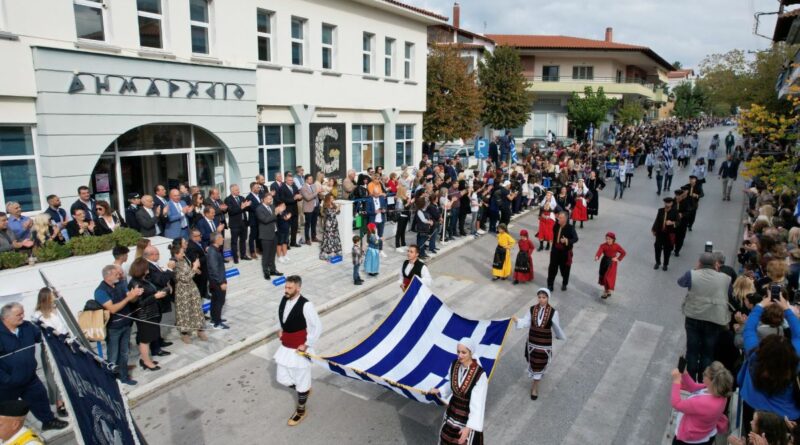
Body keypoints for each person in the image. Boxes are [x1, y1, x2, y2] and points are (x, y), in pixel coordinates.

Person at [738, 290, 800, 436]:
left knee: (752, 436)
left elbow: (749, 329)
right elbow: (798, 334)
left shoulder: (754, 356)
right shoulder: (794, 362)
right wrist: (786, 308)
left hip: (754, 406)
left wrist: (761, 305)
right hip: (785, 415)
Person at [0, 303, 68, 431]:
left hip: (29, 377)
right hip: (6, 383)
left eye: (23, 313)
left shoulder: (27, 327)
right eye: (18, 314)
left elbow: (42, 337)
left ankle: (48, 421)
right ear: (6, 318)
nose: (22, 316)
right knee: (6, 410)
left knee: (40, 398)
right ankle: (8, 432)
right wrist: (6, 379)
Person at [274, 275, 322, 426]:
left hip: (299, 348)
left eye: (290, 288)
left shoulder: (306, 305)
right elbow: (283, 317)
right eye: (286, 287)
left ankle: (301, 411)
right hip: (285, 346)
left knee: (301, 380)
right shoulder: (284, 299)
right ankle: (304, 391)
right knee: (282, 378)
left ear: (298, 288)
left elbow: (317, 326)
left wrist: (307, 344)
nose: (286, 290)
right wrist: (281, 329)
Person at [677, 252, 732, 382]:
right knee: (708, 351)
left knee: (692, 349)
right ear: (716, 264)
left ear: (699, 263)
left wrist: (695, 270)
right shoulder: (725, 278)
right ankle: (703, 381)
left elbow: (681, 282)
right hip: (714, 318)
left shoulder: (692, 274)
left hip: (694, 316)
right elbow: (729, 293)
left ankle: (690, 380)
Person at [429, 338, 488, 444]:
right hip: (452, 413)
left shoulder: (479, 375)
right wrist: (439, 390)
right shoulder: (454, 364)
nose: (460, 355)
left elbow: (478, 404)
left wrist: (468, 428)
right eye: (458, 352)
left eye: (464, 352)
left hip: (467, 418)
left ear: (471, 353)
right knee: (445, 439)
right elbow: (452, 383)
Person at [513, 288, 567, 400]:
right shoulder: (532, 309)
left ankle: (535, 386)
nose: (541, 300)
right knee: (533, 363)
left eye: (544, 297)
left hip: (544, 343)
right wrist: (517, 320)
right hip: (532, 342)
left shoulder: (553, 312)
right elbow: (527, 322)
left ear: (548, 298)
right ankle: (535, 382)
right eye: (539, 297)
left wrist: (559, 335)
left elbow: (556, 326)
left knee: (540, 364)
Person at [94, 266, 141, 385]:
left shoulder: (120, 284)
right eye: (116, 274)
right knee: (113, 355)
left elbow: (131, 300)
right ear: (108, 276)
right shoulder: (100, 291)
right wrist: (128, 298)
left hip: (126, 324)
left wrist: (135, 295)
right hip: (114, 328)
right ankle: (110, 379)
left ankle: (124, 377)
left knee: (124, 353)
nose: (119, 276)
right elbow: (112, 309)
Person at [670, 361, 733, 445]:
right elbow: (694, 387)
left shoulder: (703, 403)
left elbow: (676, 403)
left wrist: (676, 381)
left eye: (705, 374)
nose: (703, 373)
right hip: (705, 433)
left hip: (690, 440)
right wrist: (684, 373)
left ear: (712, 381)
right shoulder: (718, 392)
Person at [30, 289, 67, 416]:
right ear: (46, 298)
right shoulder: (38, 315)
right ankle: (59, 404)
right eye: (52, 296)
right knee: (53, 376)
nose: (55, 298)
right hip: (51, 347)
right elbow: (44, 332)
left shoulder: (57, 310)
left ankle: (68, 399)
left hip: (64, 344)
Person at [127, 259, 167, 371]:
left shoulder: (142, 280)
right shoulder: (136, 284)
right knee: (145, 340)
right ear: (142, 269)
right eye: (146, 267)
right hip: (144, 316)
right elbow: (139, 303)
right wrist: (155, 296)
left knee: (149, 338)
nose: (148, 268)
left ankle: (145, 359)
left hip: (151, 313)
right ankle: (146, 362)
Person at [169, 244, 207, 344]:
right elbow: (184, 279)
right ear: (176, 254)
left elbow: (189, 271)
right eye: (182, 253)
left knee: (197, 308)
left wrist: (195, 269)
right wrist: (194, 268)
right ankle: (184, 333)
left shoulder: (184, 260)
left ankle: (199, 330)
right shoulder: (174, 264)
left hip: (192, 287)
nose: (184, 254)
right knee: (184, 311)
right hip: (182, 291)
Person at [547, 212, 578, 292]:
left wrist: (567, 240)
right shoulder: (556, 225)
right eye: (558, 217)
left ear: (565, 219)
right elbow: (553, 234)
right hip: (555, 251)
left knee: (565, 269)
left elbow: (575, 238)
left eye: (560, 218)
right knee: (552, 268)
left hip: (565, 252)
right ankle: (550, 285)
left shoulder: (570, 228)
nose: (558, 219)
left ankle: (564, 283)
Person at [256, 193, 283, 279]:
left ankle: (273, 270)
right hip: (266, 235)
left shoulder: (272, 206)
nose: (271, 200)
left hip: (274, 233)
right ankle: (266, 272)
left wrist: (280, 212)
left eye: (271, 199)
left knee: (272, 254)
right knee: (266, 255)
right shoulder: (259, 209)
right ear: (263, 199)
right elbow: (265, 220)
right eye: (269, 199)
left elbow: (275, 218)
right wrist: (276, 213)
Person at [594, 232, 626, 299]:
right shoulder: (603, 245)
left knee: (608, 278)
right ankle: (608, 290)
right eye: (606, 239)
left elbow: (623, 253)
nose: (607, 240)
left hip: (612, 264)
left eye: (609, 239)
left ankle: (606, 291)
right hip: (604, 262)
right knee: (604, 276)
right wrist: (597, 256)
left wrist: (618, 259)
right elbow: (600, 251)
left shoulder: (616, 246)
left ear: (613, 239)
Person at [224, 184, 251, 263]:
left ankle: (243, 255)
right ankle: (235, 258)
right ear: (232, 191)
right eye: (236, 190)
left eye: (238, 189)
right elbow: (231, 212)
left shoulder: (241, 198)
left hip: (243, 223)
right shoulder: (228, 199)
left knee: (243, 240)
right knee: (234, 241)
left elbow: (247, 208)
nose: (238, 191)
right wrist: (241, 207)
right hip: (235, 224)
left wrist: (248, 205)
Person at [207, 233, 229, 329]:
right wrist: (221, 282)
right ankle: (217, 322)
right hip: (217, 281)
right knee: (219, 301)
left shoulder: (214, 250)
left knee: (215, 301)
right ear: (216, 240)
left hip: (216, 280)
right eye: (221, 238)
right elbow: (214, 269)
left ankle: (214, 318)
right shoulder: (212, 252)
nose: (223, 239)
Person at [652, 197, 678, 271]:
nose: (667, 204)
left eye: (669, 203)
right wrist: (654, 229)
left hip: (669, 234)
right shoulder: (660, 211)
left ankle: (665, 264)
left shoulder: (675, 212)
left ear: (672, 203)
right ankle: (657, 262)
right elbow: (657, 220)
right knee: (657, 248)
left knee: (667, 250)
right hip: (660, 233)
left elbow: (678, 222)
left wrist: (672, 223)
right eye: (666, 203)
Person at [186, 229, 209, 299]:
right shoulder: (191, 247)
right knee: (201, 284)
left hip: (204, 268)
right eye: (199, 235)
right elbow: (195, 261)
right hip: (199, 270)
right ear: (194, 237)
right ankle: (200, 297)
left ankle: (205, 293)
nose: (201, 236)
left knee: (205, 281)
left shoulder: (198, 242)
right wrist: (206, 256)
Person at [319, 194, 342, 261]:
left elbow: (338, 213)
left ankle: (335, 253)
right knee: (329, 239)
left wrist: (338, 208)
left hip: (334, 224)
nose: (332, 200)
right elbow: (331, 214)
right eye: (331, 198)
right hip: (329, 225)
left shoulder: (333, 205)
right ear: (328, 199)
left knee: (335, 238)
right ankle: (327, 254)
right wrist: (337, 209)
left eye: (333, 198)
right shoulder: (326, 206)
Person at [300, 174, 320, 245]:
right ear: (306, 180)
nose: (311, 180)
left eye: (312, 179)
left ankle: (314, 237)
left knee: (314, 223)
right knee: (307, 224)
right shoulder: (303, 188)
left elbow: (316, 196)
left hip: (315, 207)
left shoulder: (314, 185)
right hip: (308, 208)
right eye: (310, 179)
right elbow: (308, 198)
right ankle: (307, 239)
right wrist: (316, 192)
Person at [246, 182, 262, 260]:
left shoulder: (260, 195)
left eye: (259, 187)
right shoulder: (249, 197)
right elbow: (252, 208)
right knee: (252, 236)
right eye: (257, 187)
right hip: (253, 219)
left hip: (260, 219)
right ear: (253, 188)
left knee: (259, 234)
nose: (259, 189)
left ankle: (259, 249)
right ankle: (252, 251)